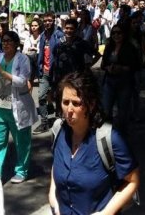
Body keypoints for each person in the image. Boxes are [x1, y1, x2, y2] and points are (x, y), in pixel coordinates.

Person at [49, 72, 139, 215]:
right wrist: (54, 199)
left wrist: (106, 213)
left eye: (76, 103)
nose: (69, 110)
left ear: (91, 105)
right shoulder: (58, 131)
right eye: (65, 102)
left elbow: (132, 181)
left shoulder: (109, 138)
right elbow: (56, 165)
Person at [0, 31, 38, 184]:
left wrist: (4, 73)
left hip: (17, 107)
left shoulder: (23, 59)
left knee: (21, 141)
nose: (6, 43)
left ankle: (21, 171)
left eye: (9, 41)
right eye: (3, 41)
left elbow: (23, 81)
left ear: (16, 44)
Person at [100, 24, 139, 136]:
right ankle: (107, 135)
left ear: (124, 34)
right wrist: (108, 67)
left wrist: (121, 68)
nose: (116, 35)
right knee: (106, 110)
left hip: (125, 82)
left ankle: (121, 137)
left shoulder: (130, 47)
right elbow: (103, 64)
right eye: (114, 33)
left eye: (119, 33)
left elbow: (135, 65)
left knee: (122, 112)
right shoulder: (109, 46)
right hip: (109, 81)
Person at [33, 12, 64, 135]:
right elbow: (41, 53)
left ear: (54, 20)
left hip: (57, 73)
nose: (47, 23)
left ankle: (60, 121)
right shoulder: (42, 36)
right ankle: (44, 123)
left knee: (58, 97)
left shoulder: (59, 35)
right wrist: (39, 69)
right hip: (44, 72)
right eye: (45, 21)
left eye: (50, 20)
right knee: (41, 97)